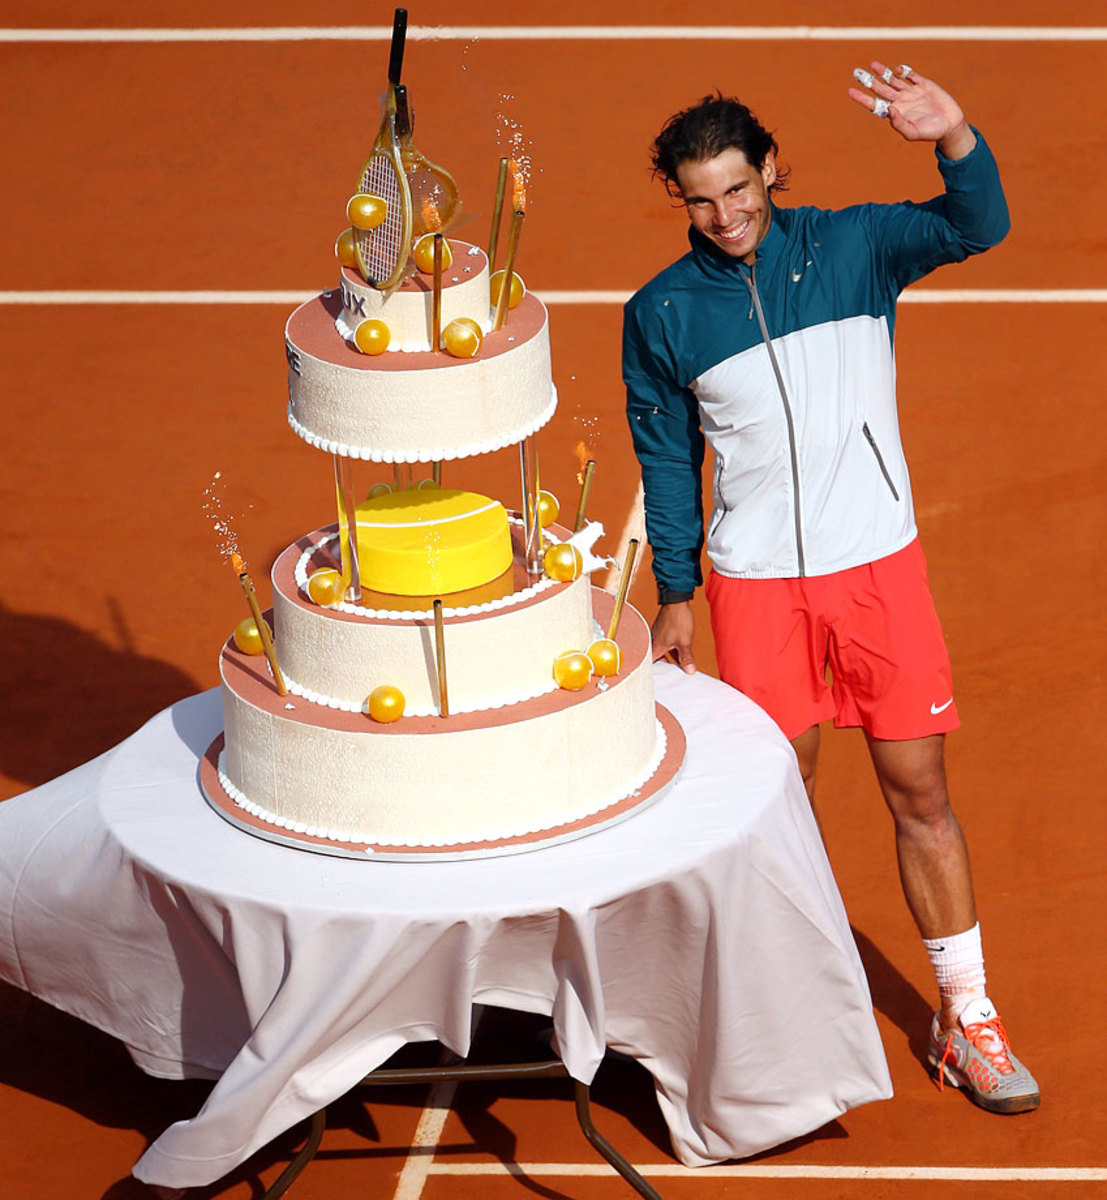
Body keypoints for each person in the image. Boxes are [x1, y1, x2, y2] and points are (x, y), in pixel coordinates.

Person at [623, 61, 1039, 1114]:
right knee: (776, 806)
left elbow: (974, 223)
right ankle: (770, 1020)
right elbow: (667, 460)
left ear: (772, 170)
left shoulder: (855, 246)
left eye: (740, 189)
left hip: (878, 570)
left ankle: (966, 1016)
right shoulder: (661, 314)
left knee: (920, 792)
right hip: (756, 588)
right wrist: (677, 593)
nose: (724, 216)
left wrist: (955, 136)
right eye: (701, 199)